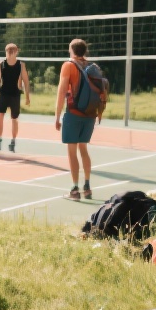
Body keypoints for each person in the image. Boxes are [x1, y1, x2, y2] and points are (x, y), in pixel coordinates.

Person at [55, 38, 95, 201]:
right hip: (90, 114)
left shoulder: (68, 65)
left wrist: (57, 115)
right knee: (83, 149)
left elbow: (62, 90)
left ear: (71, 50)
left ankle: (74, 189)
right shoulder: (92, 66)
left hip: (73, 112)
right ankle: (87, 186)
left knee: (72, 151)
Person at [0, 43, 31, 152]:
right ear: (6, 52)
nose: (10, 54)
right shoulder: (1, 64)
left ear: (16, 52)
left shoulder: (21, 65)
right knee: (0, 118)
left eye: (12, 52)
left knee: (14, 119)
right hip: (3, 93)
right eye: (8, 52)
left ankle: (13, 141)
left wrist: (27, 96)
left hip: (15, 94)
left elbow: (26, 81)